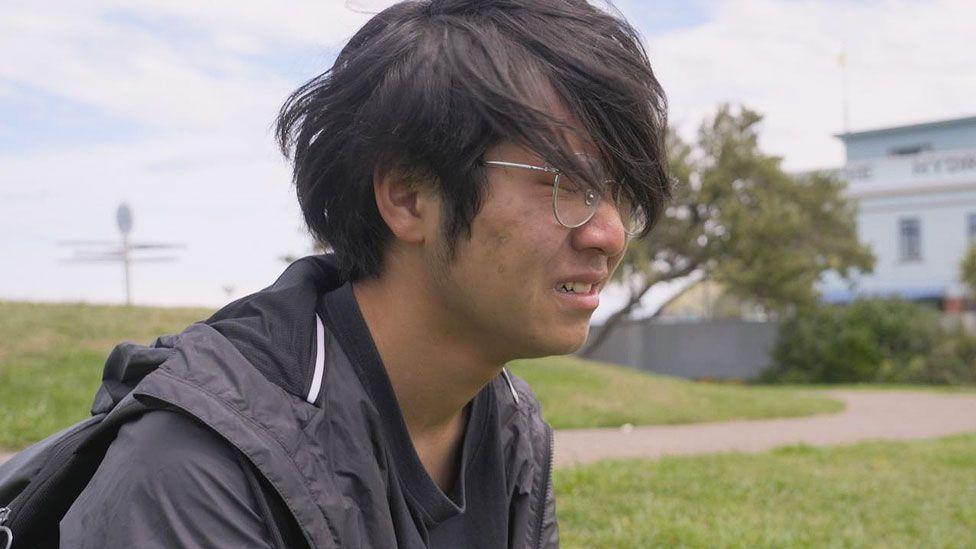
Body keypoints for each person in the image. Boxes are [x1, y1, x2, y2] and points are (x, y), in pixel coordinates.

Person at [58, 0, 669, 547]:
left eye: (620, 194)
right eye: (567, 185)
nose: (608, 234)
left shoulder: (510, 425)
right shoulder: (197, 468)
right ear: (407, 197)